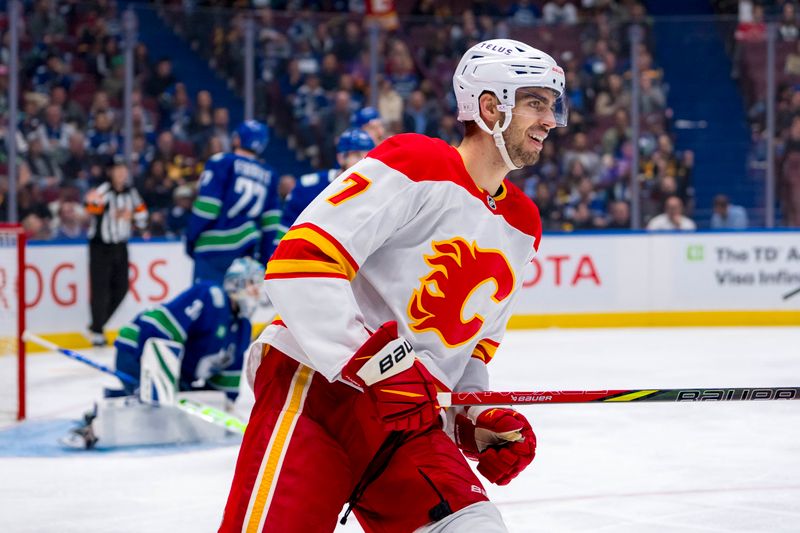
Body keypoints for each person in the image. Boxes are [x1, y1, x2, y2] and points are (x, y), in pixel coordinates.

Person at [220, 38, 568, 532]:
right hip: (320, 391)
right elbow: (300, 264)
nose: (550, 120)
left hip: (406, 421)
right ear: (490, 107)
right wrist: (379, 366)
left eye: (552, 106)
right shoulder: (415, 162)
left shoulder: (523, 223)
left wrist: (473, 416)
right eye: (536, 103)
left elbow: (471, 353)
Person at [109, 257, 263, 401]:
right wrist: (163, 382)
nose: (257, 291)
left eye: (259, 285)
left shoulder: (243, 329)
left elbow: (224, 389)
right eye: (252, 283)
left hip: (176, 375)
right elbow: (159, 326)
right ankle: (99, 419)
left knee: (164, 412)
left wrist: (219, 405)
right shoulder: (210, 296)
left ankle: (103, 410)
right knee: (154, 414)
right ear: (235, 282)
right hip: (136, 351)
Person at [185, 120, 280, 284]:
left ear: (236, 139)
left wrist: (191, 238)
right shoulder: (269, 174)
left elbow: (208, 207)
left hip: (211, 249)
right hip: (246, 250)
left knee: (209, 303)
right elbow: (271, 224)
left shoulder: (221, 161)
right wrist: (266, 260)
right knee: (238, 306)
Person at [85, 160, 148, 346]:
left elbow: (143, 217)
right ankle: (97, 330)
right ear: (111, 172)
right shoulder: (103, 191)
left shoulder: (131, 193)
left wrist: (133, 216)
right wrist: (95, 203)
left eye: (124, 170)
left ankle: (97, 324)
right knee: (100, 290)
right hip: (101, 247)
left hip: (121, 245)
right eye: (118, 170)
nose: (122, 174)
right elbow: (91, 207)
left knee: (122, 289)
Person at [278, 127, 375, 237]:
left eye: (368, 157)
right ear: (341, 157)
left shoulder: (374, 192)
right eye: (357, 155)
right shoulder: (308, 188)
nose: (364, 162)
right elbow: (284, 234)